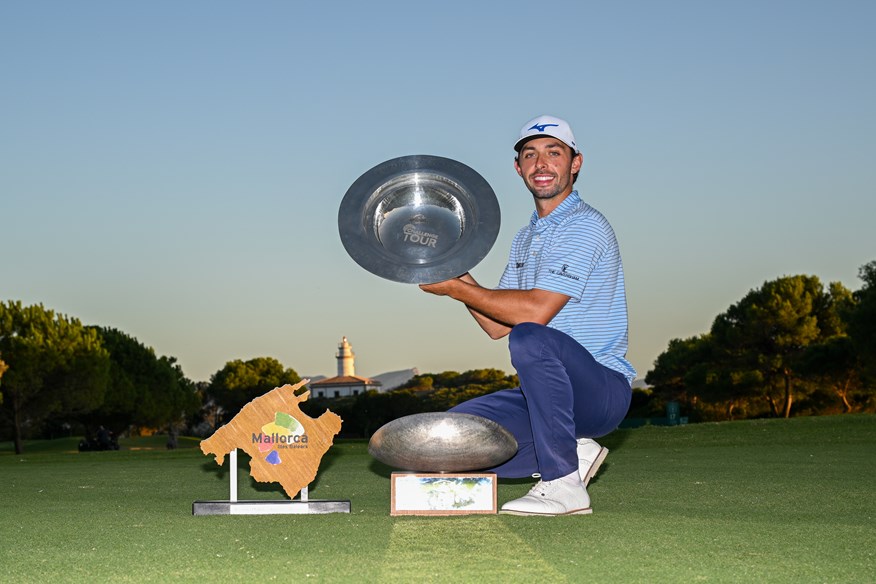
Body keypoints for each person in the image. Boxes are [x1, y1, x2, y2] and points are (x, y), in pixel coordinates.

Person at [420, 115, 636, 516]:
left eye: (555, 153)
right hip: (545, 397)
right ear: (518, 168)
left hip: (600, 390)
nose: (542, 164)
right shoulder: (526, 237)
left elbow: (535, 314)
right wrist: (455, 272)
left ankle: (564, 485)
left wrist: (456, 288)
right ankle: (571, 448)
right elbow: (495, 325)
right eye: (530, 155)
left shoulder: (585, 225)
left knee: (530, 338)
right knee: (448, 435)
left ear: (576, 163)